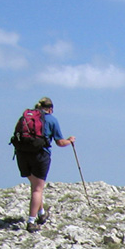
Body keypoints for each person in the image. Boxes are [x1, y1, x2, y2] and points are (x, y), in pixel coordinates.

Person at [15, 97, 75, 232]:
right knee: (37, 189)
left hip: (22, 154)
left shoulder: (26, 117)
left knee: (35, 185)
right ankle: (31, 221)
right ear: (51, 109)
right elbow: (60, 143)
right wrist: (70, 141)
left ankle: (42, 214)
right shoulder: (52, 120)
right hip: (40, 155)